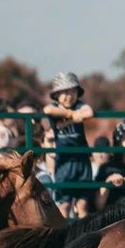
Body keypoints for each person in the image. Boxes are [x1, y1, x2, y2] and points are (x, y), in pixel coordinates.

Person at [44, 72, 95, 216]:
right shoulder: (54, 107)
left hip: (81, 160)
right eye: (64, 92)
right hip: (64, 161)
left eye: (73, 91)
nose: (69, 96)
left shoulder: (79, 105)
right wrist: (71, 115)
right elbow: (47, 110)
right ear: (56, 95)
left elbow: (89, 112)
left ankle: (83, 234)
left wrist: (73, 118)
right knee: (64, 205)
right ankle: (64, 236)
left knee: (82, 204)